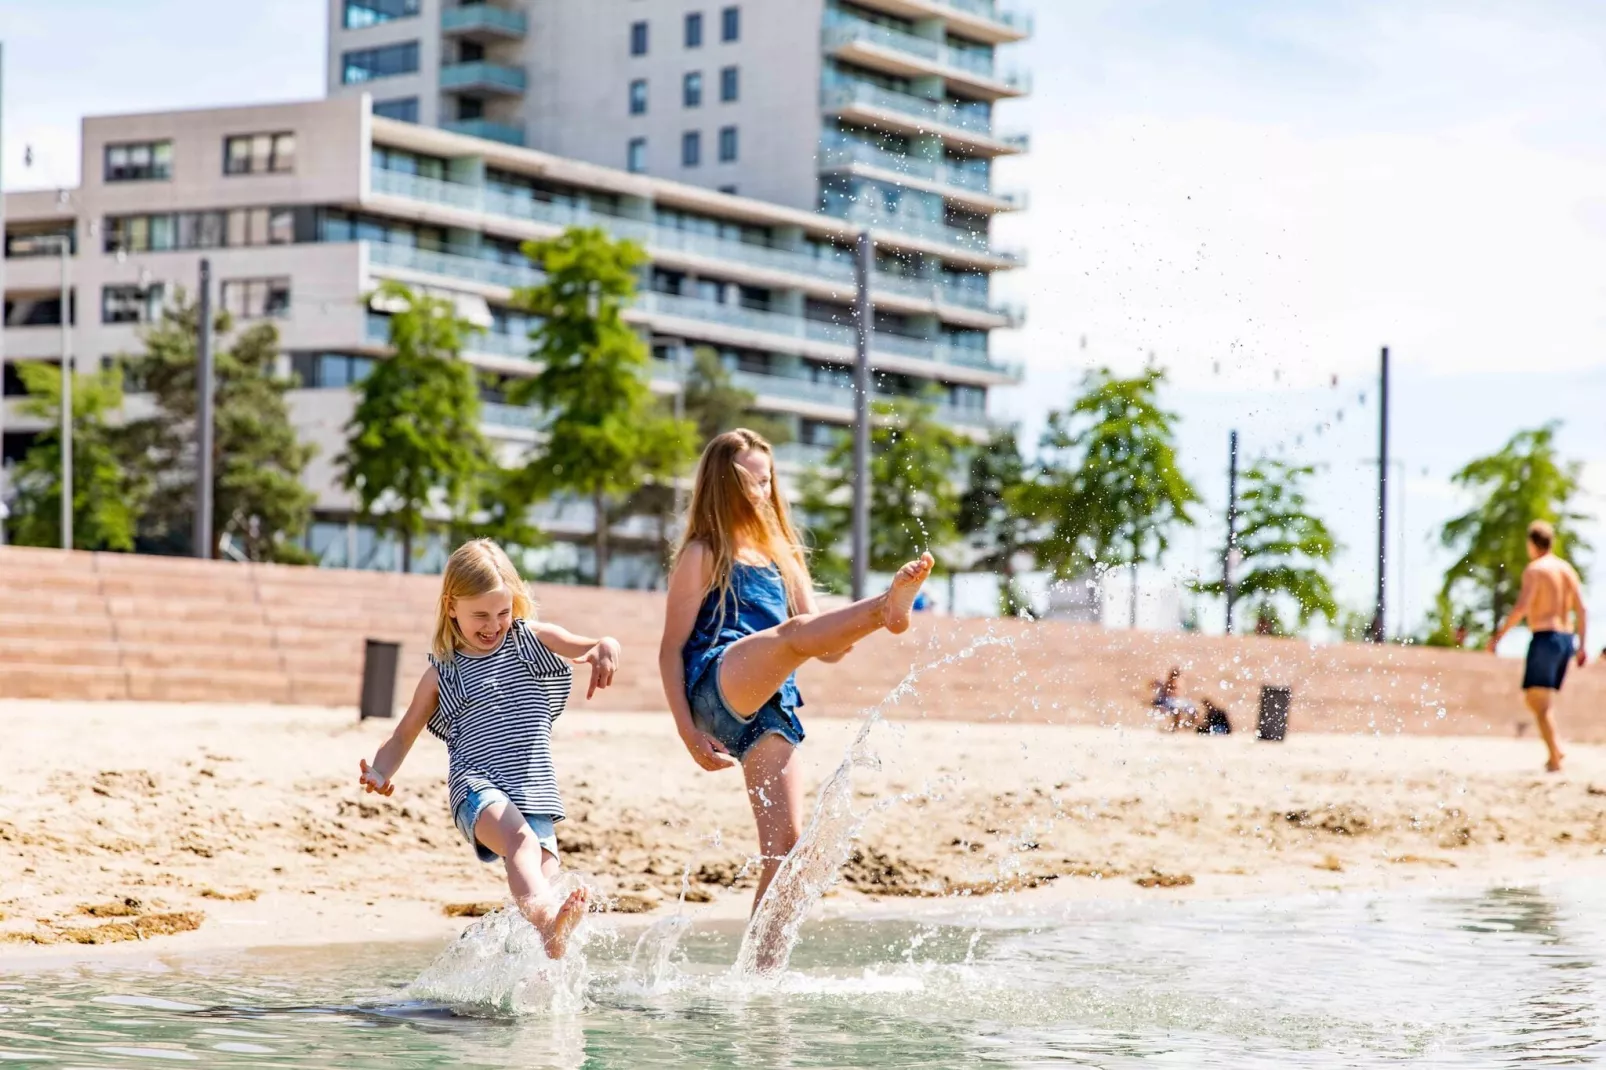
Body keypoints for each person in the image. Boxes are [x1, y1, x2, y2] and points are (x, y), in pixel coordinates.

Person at [659, 429, 933, 917]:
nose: (760, 492)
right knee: (791, 636)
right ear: (721, 485)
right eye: (749, 481)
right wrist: (685, 732)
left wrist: (840, 634)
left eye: (767, 482)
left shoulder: (782, 555)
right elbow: (670, 649)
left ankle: (759, 981)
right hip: (717, 684)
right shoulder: (703, 552)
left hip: (772, 705)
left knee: (788, 854)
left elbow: (826, 651)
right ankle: (885, 609)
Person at [357, 539, 620, 958]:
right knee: (522, 845)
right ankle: (551, 927)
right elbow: (404, 733)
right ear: (451, 607)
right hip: (477, 788)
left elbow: (585, 646)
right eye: (480, 614)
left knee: (543, 883)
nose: (493, 625)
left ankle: (537, 967)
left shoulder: (530, 640)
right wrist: (381, 772)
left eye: (503, 612)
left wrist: (605, 646)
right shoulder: (443, 672)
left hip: (535, 791)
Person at [1487, 520, 1588, 773]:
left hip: (1545, 637)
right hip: (1566, 639)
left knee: (1538, 700)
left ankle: (1556, 754)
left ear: (1532, 544)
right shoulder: (1567, 569)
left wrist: (1499, 635)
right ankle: (1557, 748)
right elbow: (1582, 608)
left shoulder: (1535, 569)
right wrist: (1582, 645)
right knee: (1537, 699)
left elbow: (1522, 606)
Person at [1151, 666, 1199, 732]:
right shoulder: (1167, 682)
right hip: (1169, 700)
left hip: (1178, 700)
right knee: (1177, 709)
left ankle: (1189, 726)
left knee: (1194, 709)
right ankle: (1177, 727)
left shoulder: (1179, 682)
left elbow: (1179, 694)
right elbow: (1167, 693)